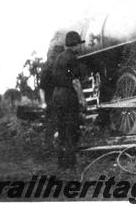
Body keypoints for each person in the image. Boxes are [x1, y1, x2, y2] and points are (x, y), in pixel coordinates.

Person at [50, 32, 87, 169]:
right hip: (68, 95)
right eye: (79, 45)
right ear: (75, 44)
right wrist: (82, 99)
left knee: (61, 127)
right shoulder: (72, 58)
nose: (80, 48)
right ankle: (71, 164)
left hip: (57, 95)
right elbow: (76, 82)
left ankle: (61, 163)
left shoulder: (59, 58)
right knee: (72, 128)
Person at [39, 44, 65, 152]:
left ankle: (58, 146)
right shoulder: (47, 69)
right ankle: (48, 147)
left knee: (61, 123)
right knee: (51, 124)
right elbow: (41, 88)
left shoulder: (61, 68)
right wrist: (43, 102)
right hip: (50, 101)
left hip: (60, 100)